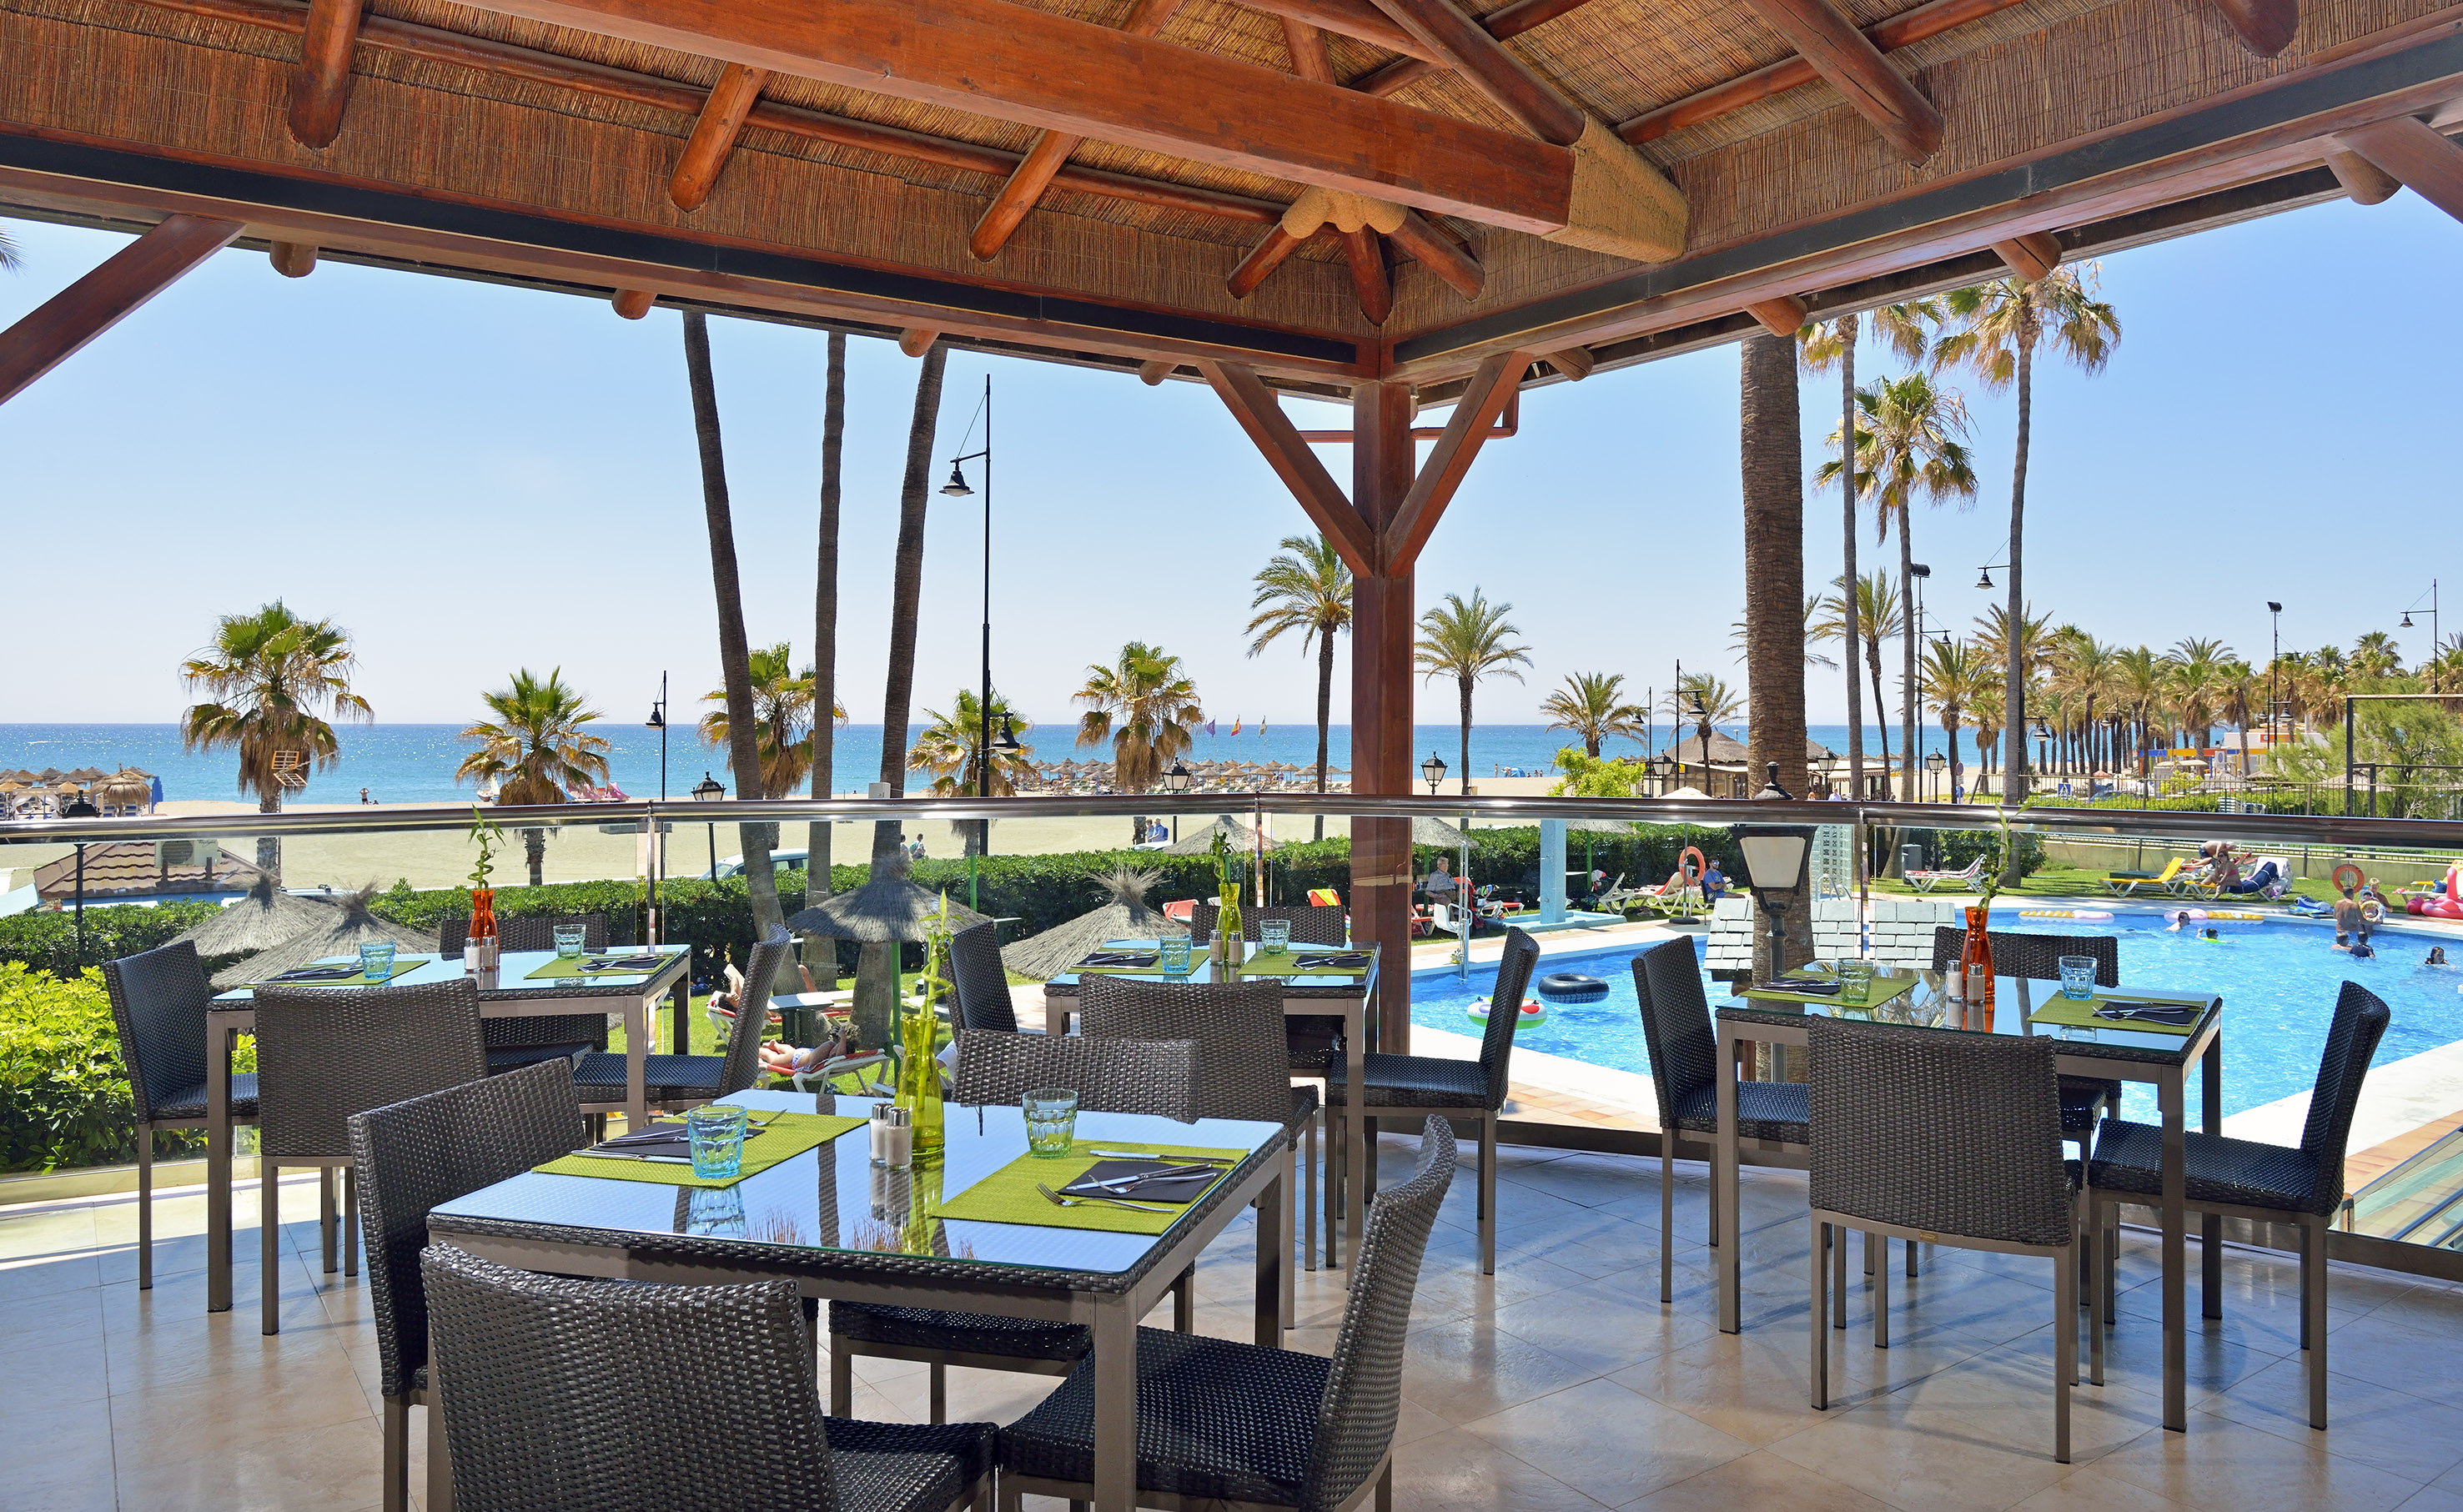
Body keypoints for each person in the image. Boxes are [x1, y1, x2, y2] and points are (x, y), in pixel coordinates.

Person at [2334, 885, 2365, 950]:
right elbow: (2362, 920)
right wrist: (2376, 921)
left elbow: (2335, 916)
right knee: (2353, 951)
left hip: (2339, 933)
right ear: (2352, 894)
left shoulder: (2337, 903)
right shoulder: (2354, 905)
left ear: (2343, 893)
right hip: (2351, 933)